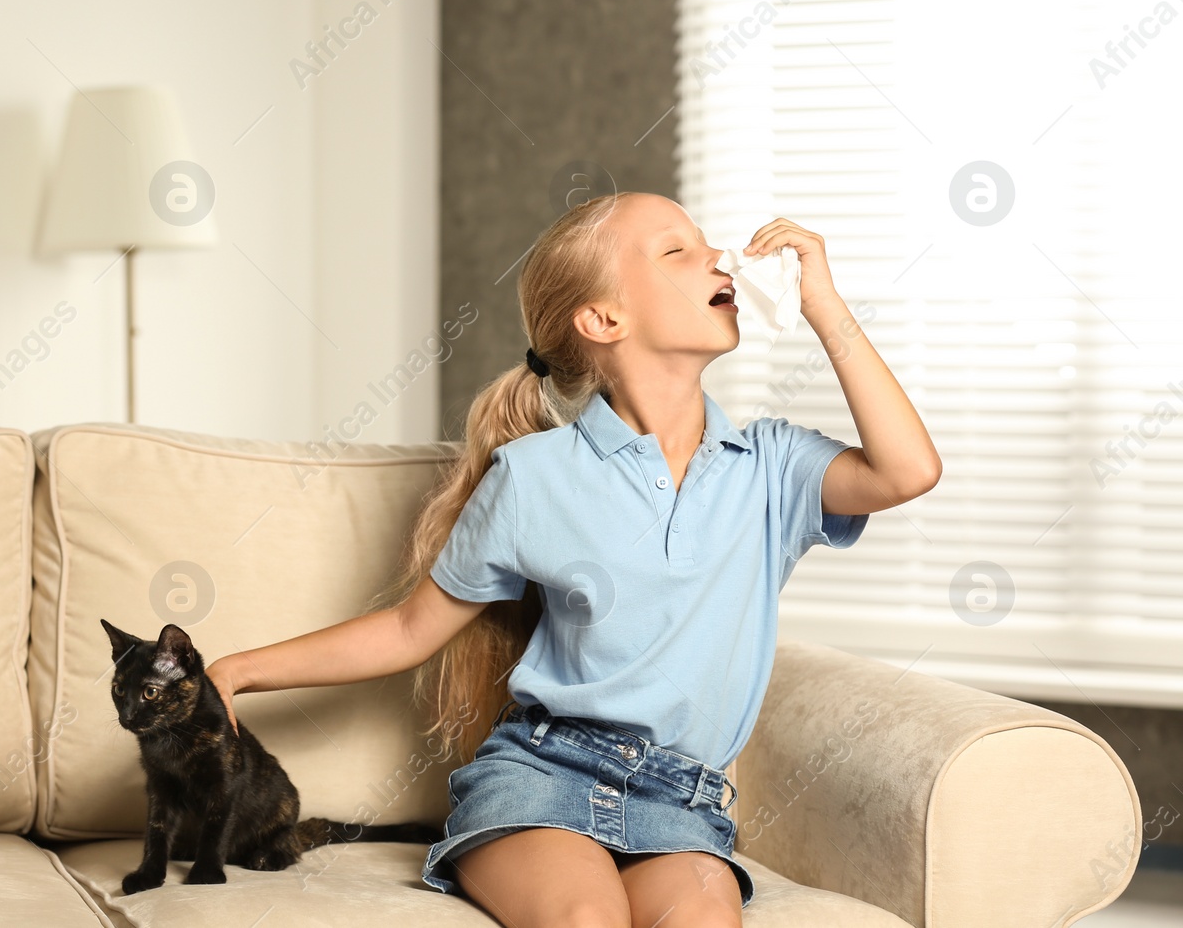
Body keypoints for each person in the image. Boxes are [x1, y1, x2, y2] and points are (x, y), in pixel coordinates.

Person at [206, 192, 941, 927]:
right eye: (675, 250)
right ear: (603, 320)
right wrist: (238, 670)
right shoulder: (531, 475)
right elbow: (407, 630)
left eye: (704, 242)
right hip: (542, 774)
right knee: (586, 919)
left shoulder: (773, 466)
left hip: (680, 799)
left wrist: (826, 306)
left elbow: (908, 469)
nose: (719, 256)